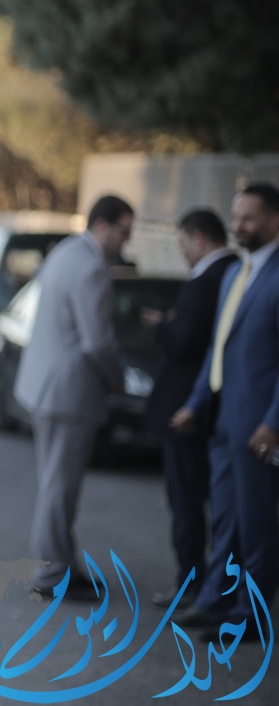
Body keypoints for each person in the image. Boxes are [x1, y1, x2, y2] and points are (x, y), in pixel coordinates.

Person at [170, 182, 279, 638]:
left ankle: (251, 616)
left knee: (256, 524)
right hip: (221, 418)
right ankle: (216, 601)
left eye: (248, 218)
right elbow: (218, 347)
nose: (238, 226)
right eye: (236, 217)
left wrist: (273, 422)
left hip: (258, 425)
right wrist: (196, 402)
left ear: (274, 219)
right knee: (226, 519)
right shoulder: (236, 272)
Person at [13, 195, 134, 595]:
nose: (127, 240)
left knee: (54, 485)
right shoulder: (91, 267)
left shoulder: (66, 251)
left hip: (45, 388)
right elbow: (97, 342)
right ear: (102, 225)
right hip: (70, 393)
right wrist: (118, 381)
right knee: (59, 489)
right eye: (124, 230)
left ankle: (62, 566)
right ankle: (52, 575)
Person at [140, 209, 237, 607]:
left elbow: (186, 343)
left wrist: (162, 326)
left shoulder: (208, 279)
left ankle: (192, 585)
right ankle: (212, 586)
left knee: (186, 503)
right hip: (207, 407)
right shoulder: (233, 273)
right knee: (213, 503)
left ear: (198, 238)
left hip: (187, 409)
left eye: (182, 242)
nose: (181, 251)